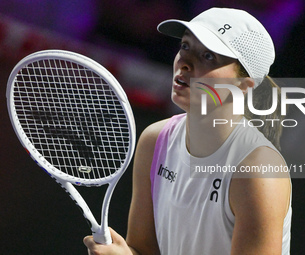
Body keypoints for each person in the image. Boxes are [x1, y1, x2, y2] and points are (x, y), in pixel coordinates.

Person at [83, 7, 292, 255]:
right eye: (185, 46)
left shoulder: (257, 171)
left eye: (208, 56)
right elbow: (143, 250)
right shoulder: (155, 140)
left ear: (243, 86)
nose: (185, 62)